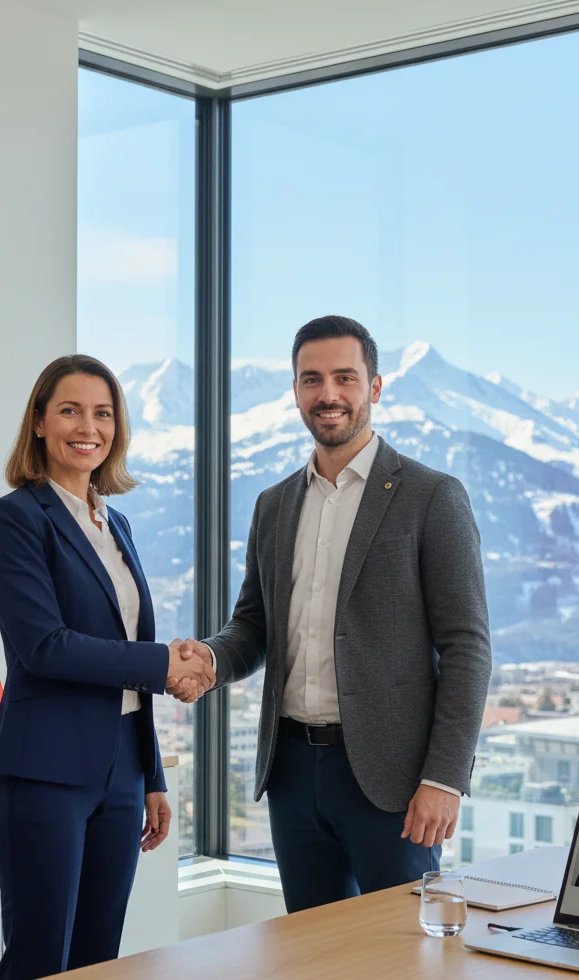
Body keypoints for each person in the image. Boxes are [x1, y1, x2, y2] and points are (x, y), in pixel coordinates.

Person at [170, 315, 492, 912]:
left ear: (375, 386)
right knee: (311, 968)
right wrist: (212, 659)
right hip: (292, 773)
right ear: (295, 391)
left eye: (345, 377)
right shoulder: (273, 505)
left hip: (391, 783)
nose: (328, 394)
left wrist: (443, 780)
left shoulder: (431, 496)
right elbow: (255, 625)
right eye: (311, 379)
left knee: (400, 968)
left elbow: (468, 647)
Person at [0, 354, 212, 980]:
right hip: (44, 771)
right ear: (38, 422)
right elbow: (46, 647)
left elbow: (124, 654)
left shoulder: (117, 522)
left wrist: (152, 775)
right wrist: (167, 664)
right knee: (37, 967)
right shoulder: (15, 519)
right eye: (70, 410)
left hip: (123, 774)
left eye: (103, 413)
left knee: (98, 968)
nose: (89, 427)